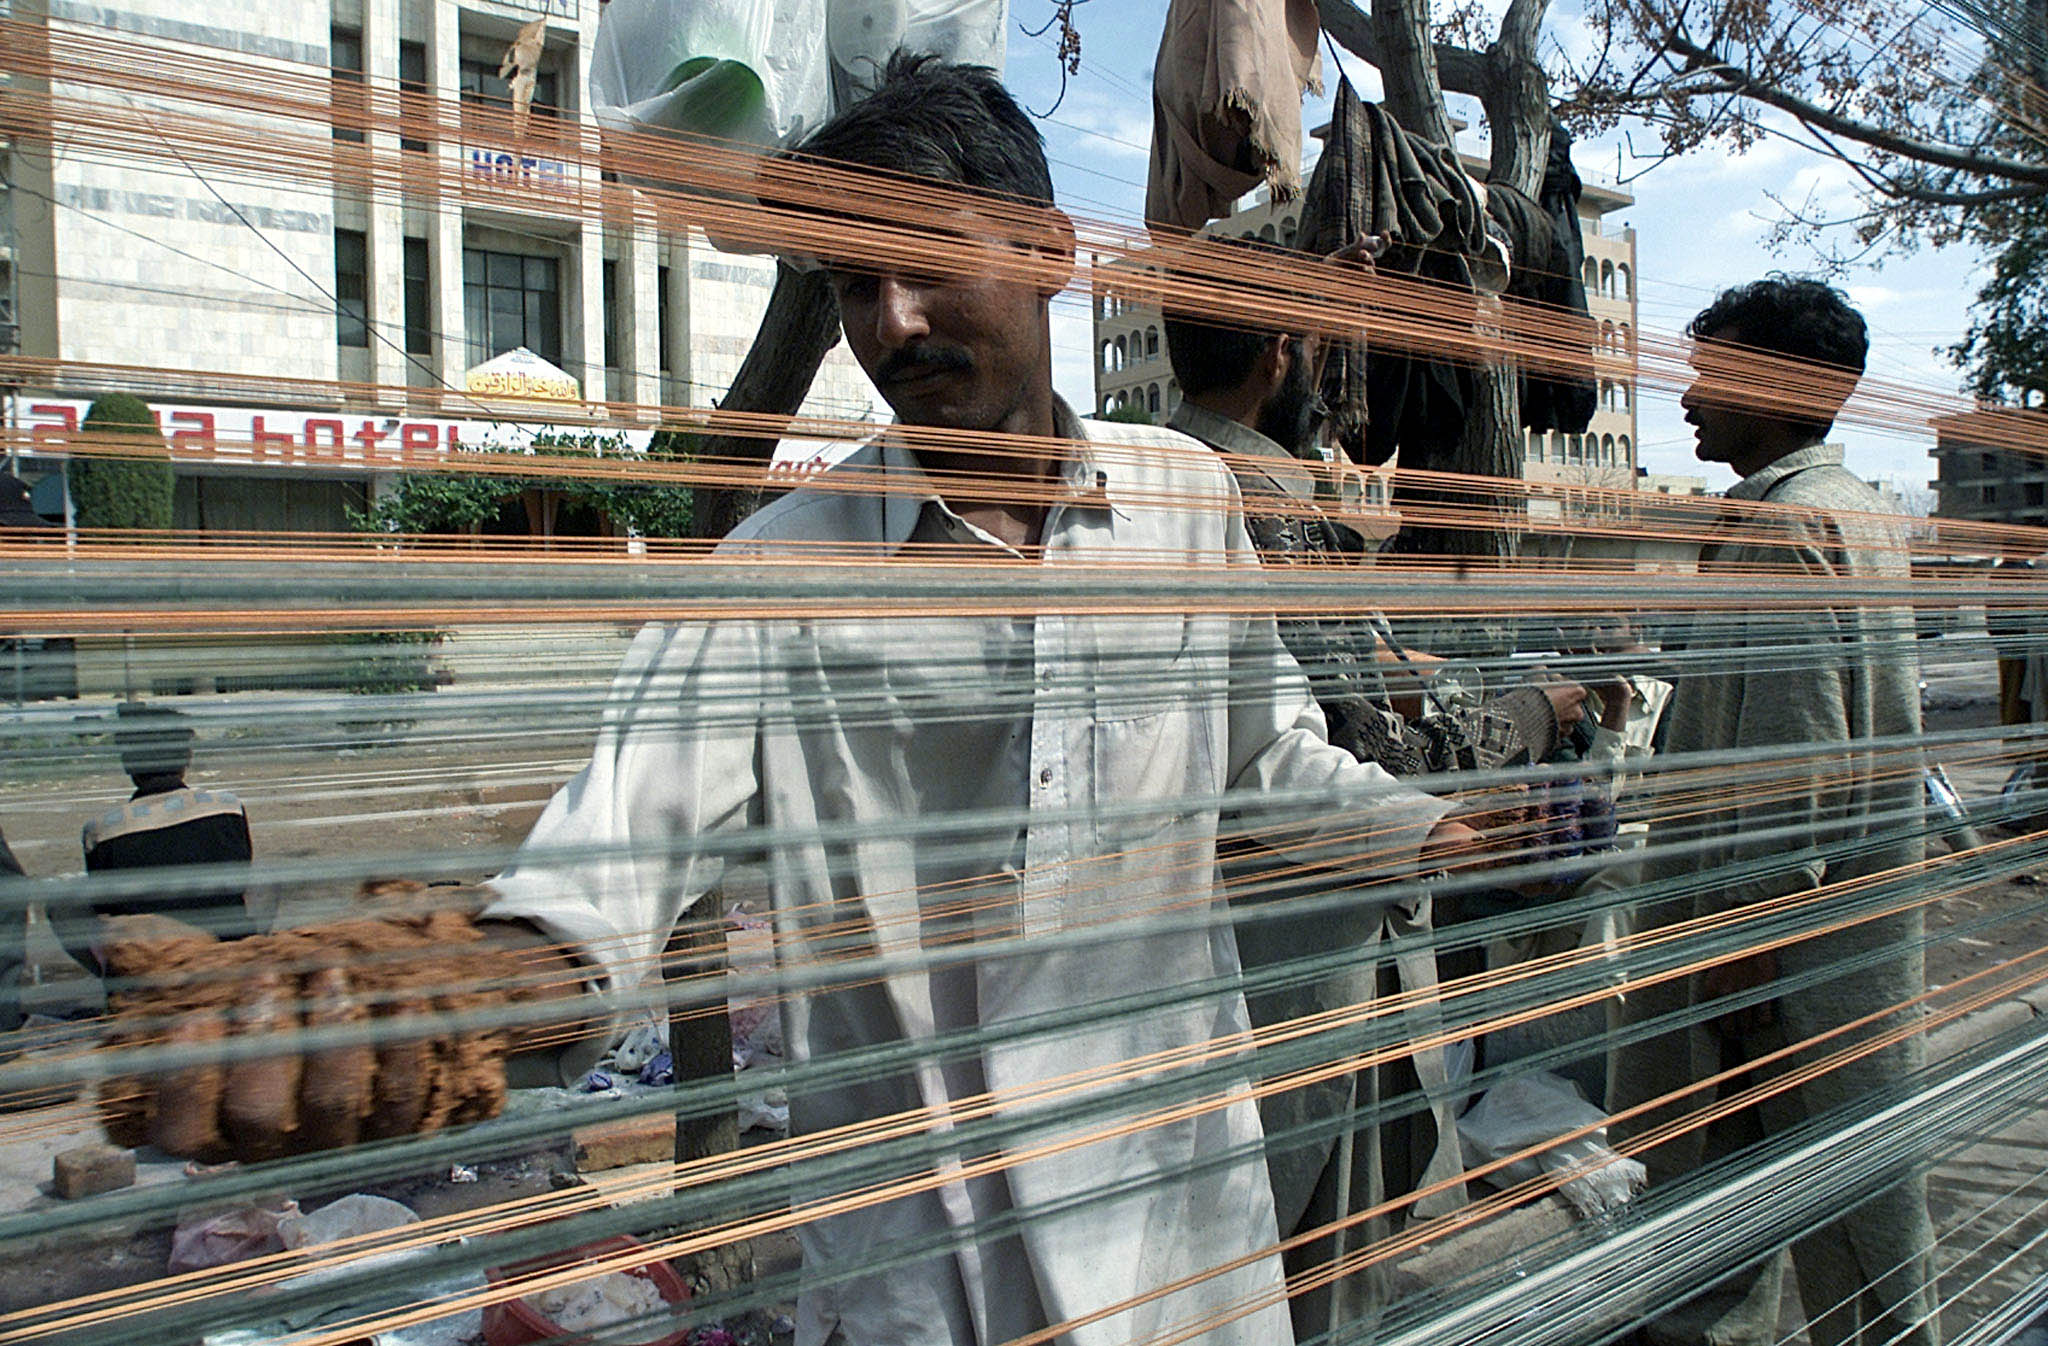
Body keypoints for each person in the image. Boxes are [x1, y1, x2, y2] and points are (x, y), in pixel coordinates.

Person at [109, 55, 1493, 1346]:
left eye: (926, 262)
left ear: (1053, 254)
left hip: (1180, 1229)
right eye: (850, 284)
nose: (888, 322)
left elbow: (1263, 761)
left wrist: (1439, 833)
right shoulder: (772, 575)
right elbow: (608, 857)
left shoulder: (1186, 505)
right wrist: (450, 999)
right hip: (928, 1268)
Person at [1161, 262, 1589, 1336]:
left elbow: (1332, 677)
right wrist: (1532, 711)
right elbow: (1373, 744)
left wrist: (1411, 661)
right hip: (1308, 945)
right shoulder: (1259, 504)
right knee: (1318, 1257)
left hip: (1215, 937)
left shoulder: (1163, 481)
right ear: (1278, 357)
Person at [1608, 278, 1934, 1346]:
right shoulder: (1855, 511)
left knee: (1779, 1240)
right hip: (1820, 954)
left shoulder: (1784, 530)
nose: (1689, 395)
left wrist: (1742, 963)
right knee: (1831, 1231)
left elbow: (1792, 764)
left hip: (1772, 971)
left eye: (1713, 372)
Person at [64, 703, 255, 968]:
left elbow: (104, 907)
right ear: (187, 757)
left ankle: (116, 980)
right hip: (223, 954)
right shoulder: (228, 808)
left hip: (150, 960)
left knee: (63, 905)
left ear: (128, 763)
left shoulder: (101, 831)